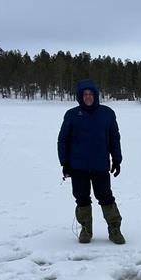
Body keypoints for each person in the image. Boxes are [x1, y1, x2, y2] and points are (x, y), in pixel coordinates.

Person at [57, 79, 125, 245]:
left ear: (96, 95)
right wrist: (64, 162)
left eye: (91, 94)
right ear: (80, 96)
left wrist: (116, 159)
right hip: (78, 166)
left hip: (100, 165)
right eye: (85, 94)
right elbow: (63, 140)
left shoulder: (107, 113)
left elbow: (114, 138)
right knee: (81, 198)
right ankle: (86, 229)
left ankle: (114, 229)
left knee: (105, 196)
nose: (88, 97)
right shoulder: (72, 115)